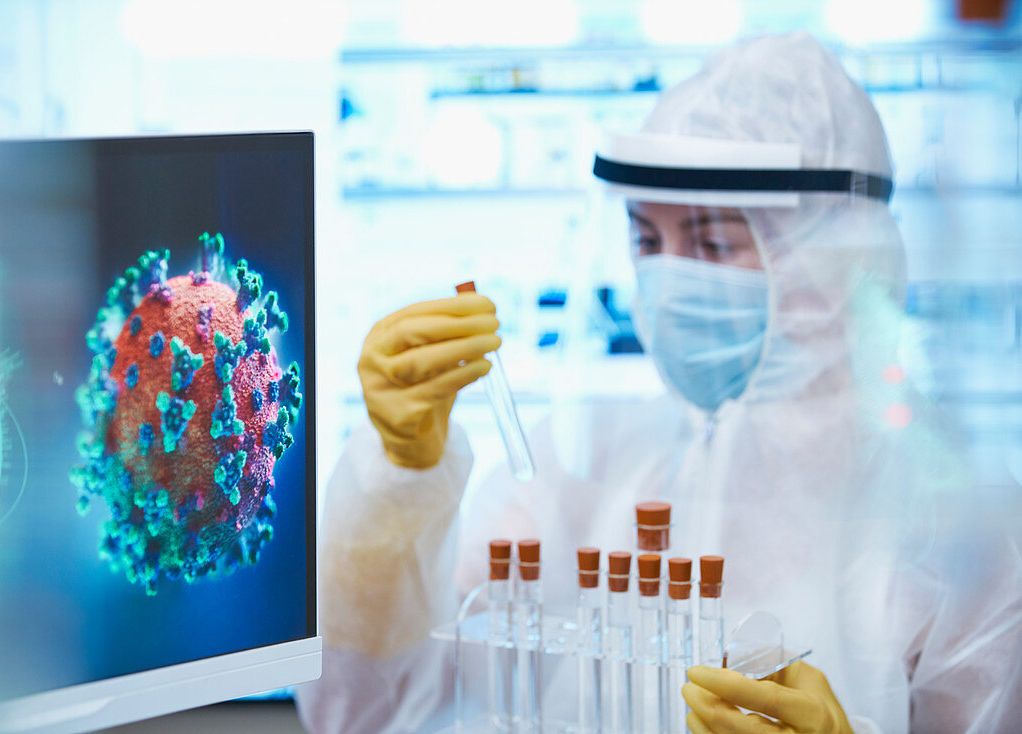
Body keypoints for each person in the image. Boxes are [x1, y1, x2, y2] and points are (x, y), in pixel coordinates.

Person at [297, 32, 1022, 733]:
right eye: (647, 238)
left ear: (832, 261)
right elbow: (368, 713)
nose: (668, 277)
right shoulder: (578, 468)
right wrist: (396, 484)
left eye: (711, 242)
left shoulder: (958, 529)